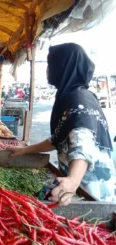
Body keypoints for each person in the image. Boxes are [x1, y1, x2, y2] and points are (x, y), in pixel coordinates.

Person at [8, 43, 116, 205]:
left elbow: (82, 141)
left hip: (90, 191)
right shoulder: (76, 94)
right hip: (75, 188)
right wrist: (24, 150)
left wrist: (72, 180)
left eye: (51, 64)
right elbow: (58, 139)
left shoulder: (77, 98)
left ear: (64, 66)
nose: (47, 70)